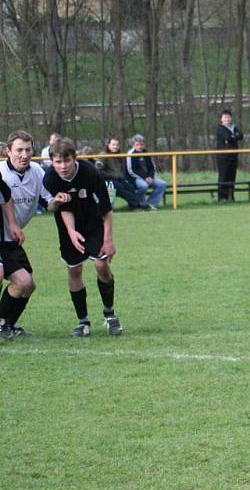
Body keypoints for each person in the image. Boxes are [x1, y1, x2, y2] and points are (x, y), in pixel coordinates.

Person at [44, 138, 122, 337]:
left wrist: (108, 240)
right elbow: (64, 208)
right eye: (57, 162)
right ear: (52, 161)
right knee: (74, 270)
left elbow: (105, 209)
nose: (62, 166)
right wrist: (71, 232)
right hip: (68, 227)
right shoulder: (51, 178)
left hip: (94, 223)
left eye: (66, 161)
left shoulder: (91, 173)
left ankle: (110, 314)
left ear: (74, 158)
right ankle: (83, 321)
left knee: (101, 265)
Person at [0, 130, 64, 340]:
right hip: (2, 239)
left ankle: (7, 325)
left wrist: (59, 200)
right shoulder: (1, 172)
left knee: (28, 286)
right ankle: (3, 325)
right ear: (8, 151)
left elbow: (48, 203)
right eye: (19, 150)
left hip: (13, 240)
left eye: (28, 150)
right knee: (22, 281)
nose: (24, 154)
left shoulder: (36, 171)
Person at [96, 138, 145, 211]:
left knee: (130, 187)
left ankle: (136, 205)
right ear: (108, 145)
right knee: (120, 188)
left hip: (118, 179)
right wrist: (112, 175)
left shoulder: (119, 155)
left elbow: (122, 170)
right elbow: (98, 170)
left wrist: (121, 176)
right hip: (106, 180)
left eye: (117, 145)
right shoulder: (103, 155)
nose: (115, 146)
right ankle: (137, 206)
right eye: (113, 145)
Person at [124, 134, 167, 209]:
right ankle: (140, 205)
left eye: (141, 144)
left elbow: (152, 167)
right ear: (133, 145)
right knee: (143, 186)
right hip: (134, 178)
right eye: (137, 145)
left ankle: (151, 204)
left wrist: (150, 177)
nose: (140, 146)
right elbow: (131, 171)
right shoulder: (130, 154)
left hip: (148, 177)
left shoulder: (146, 153)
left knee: (162, 184)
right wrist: (145, 178)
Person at [215, 109, 244, 202]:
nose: (227, 119)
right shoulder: (220, 128)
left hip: (233, 156)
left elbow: (241, 136)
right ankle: (222, 198)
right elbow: (227, 137)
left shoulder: (234, 127)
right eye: (225, 117)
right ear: (221, 119)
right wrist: (233, 137)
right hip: (223, 157)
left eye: (228, 117)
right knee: (224, 177)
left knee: (232, 177)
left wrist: (233, 137)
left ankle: (231, 197)